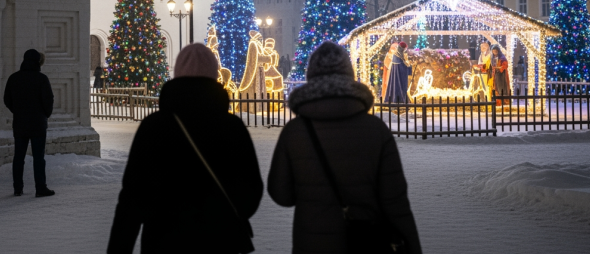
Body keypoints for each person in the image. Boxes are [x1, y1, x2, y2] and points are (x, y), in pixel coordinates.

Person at [268, 41, 421, 254]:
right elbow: (395, 201)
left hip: (312, 243)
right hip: (365, 242)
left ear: (311, 76)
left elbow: (281, 195)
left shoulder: (295, 132)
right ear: (349, 75)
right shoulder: (376, 130)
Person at [107, 44, 263, 254]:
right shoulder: (231, 126)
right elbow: (250, 190)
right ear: (214, 74)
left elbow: (133, 195)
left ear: (177, 74)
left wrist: (119, 247)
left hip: (164, 240)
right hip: (220, 240)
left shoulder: (154, 126)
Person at [4, 49, 55, 198]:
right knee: (39, 157)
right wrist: (45, 114)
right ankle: (40, 188)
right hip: (38, 124)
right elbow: (48, 100)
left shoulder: (14, 78)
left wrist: (17, 111)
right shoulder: (41, 79)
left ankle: (17, 188)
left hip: (20, 123)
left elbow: (7, 99)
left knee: (18, 157)